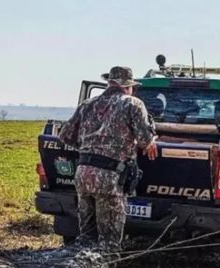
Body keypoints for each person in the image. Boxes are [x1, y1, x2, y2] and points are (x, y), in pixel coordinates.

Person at [59, 66, 157, 252]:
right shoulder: (132, 104)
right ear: (128, 86)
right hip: (109, 177)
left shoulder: (87, 104)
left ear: (109, 82)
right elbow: (145, 140)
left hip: (83, 173)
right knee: (109, 242)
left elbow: (64, 135)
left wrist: (89, 146)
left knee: (86, 238)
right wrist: (152, 140)